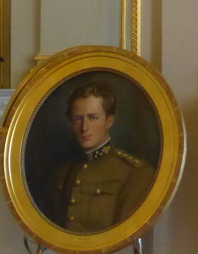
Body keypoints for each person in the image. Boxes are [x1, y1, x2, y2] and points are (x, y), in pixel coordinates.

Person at [48, 82, 154, 232]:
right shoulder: (63, 171)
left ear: (109, 121)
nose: (84, 127)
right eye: (78, 119)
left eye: (93, 118)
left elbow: (125, 233)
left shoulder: (134, 172)